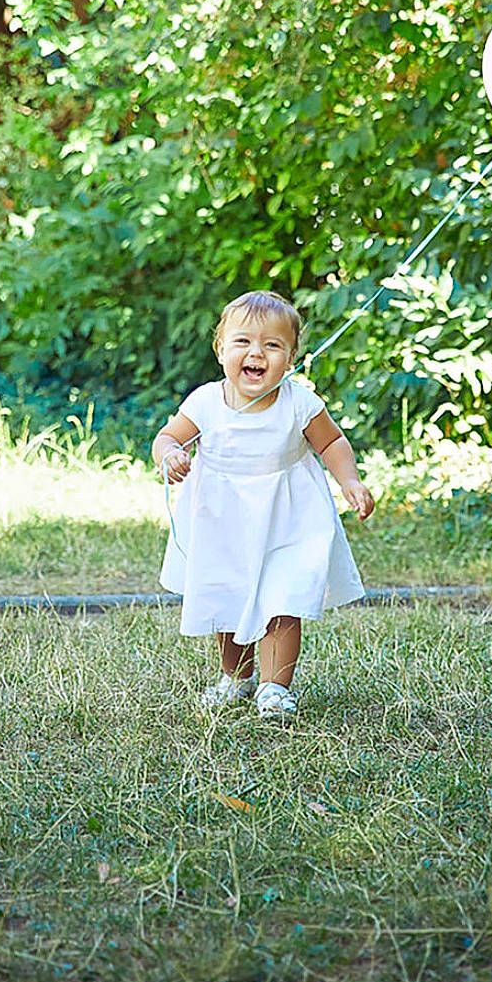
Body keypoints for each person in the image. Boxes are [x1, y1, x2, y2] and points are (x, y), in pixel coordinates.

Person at [153, 290, 374, 721]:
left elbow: (331, 442)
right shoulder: (205, 403)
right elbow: (167, 437)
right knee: (227, 596)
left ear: (290, 358)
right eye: (243, 342)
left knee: (282, 598)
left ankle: (275, 688)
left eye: (272, 345)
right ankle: (236, 677)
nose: (256, 353)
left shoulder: (300, 403)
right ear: (221, 350)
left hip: (289, 517)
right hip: (222, 520)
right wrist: (171, 455)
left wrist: (349, 480)